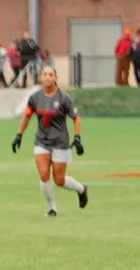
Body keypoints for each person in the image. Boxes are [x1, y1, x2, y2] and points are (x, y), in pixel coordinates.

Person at [11, 65, 88, 216]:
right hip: (42, 142)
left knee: (59, 180)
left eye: (50, 75)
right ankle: (52, 208)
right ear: (40, 77)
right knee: (44, 174)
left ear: (55, 78)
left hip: (60, 142)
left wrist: (77, 137)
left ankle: (81, 189)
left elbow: (76, 118)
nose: (47, 77)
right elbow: (27, 116)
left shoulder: (64, 98)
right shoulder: (35, 98)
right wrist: (19, 135)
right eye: (44, 74)